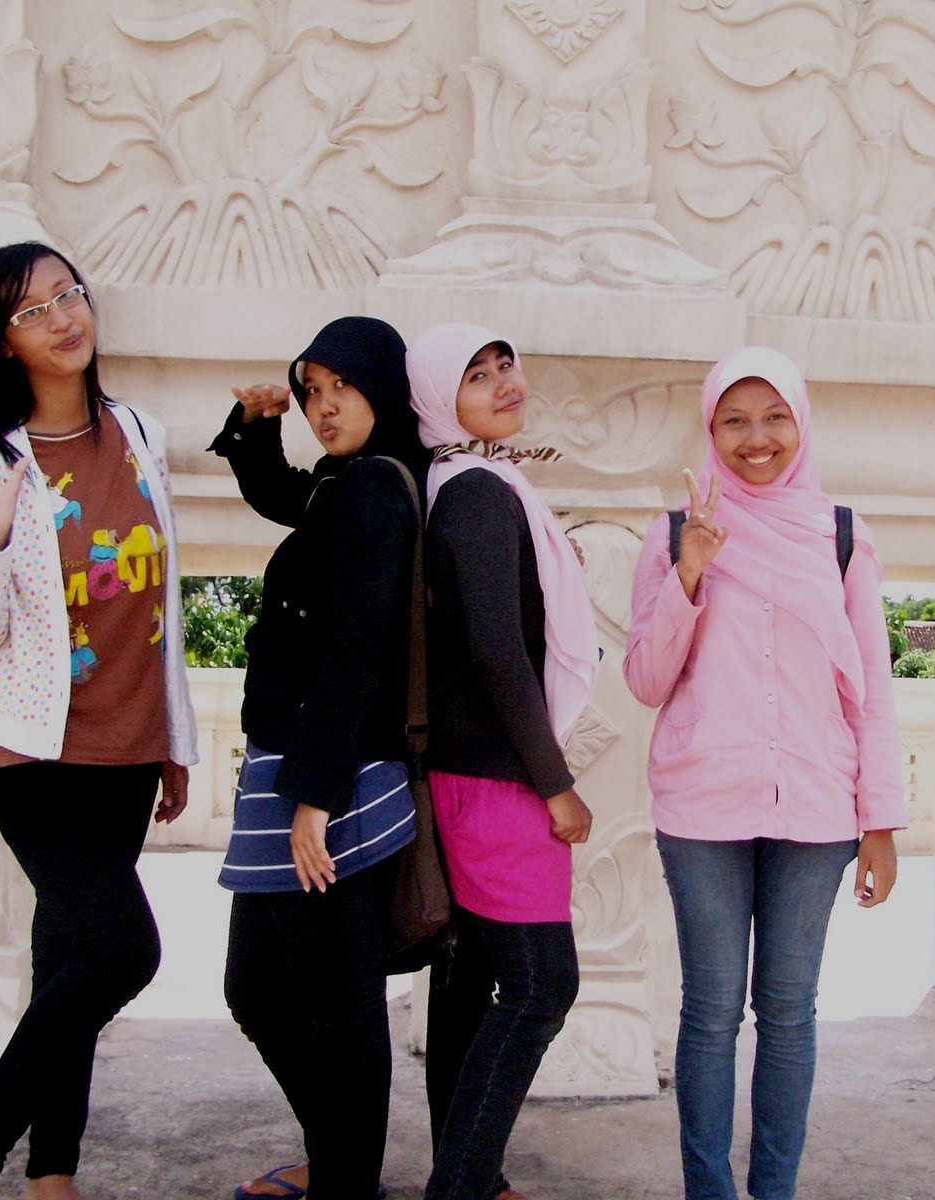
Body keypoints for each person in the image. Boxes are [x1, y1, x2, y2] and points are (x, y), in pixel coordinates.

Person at [0, 242, 198, 1200]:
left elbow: (161, 599)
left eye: (67, 294)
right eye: (32, 310)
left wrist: (174, 739)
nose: (62, 318)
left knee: (69, 956)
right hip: (29, 746)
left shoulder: (138, 432)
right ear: (2, 339)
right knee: (124, 950)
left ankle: (53, 1172)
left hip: (128, 743)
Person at [622, 346, 905, 1200]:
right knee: (711, 1013)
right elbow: (646, 680)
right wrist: (691, 572)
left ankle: (773, 1190)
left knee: (787, 1012)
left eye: (775, 416)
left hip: (816, 808)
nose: (757, 438)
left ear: (801, 422)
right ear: (709, 431)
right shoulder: (675, 533)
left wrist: (881, 822)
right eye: (734, 421)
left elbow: (873, 690)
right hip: (702, 807)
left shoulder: (843, 537)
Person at [210, 316, 427, 1200]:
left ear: (386, 385)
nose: (325, 406)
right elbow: (284, 498)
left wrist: (314, 795)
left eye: (343, 386)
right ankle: (341, 1161)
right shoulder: (348, 482)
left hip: (327, 775)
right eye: (311, 392)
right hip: (299, 762)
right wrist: (256, 430)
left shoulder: (374, 488)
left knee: (337, 1006)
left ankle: (344, 1179)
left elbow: (357, 647)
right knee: (259, 987)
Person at [405, 324, 598, 1200]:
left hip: (472, 772)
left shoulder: (470, 483)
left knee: (473, 982)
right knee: (540, 987)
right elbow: (496, 652)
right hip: (496, 781)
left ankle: (472, 1177)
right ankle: (460, 1187)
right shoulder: (477, 491)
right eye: (476, 375)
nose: (502, 382)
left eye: (505, 364)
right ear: (438, 399)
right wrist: (555, 783)